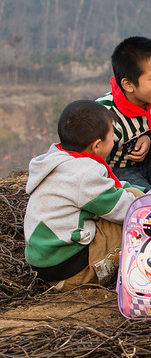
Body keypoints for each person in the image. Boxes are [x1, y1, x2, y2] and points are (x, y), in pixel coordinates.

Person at [24, 100, 143, 292]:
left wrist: (136, 191)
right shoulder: (84, 175)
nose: (114, 141)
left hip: (46, 265)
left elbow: (113, 190)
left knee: (131, 194)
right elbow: (125, 209)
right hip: (73, 272)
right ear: (97, 145)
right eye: (112, 136)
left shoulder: (58, 161)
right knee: (136, 221)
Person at [95, 36, 151, 190]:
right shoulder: (105, 115)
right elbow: (97, 162)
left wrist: (150, 137)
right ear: (128, 84)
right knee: (146, 196)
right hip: (119, 171)